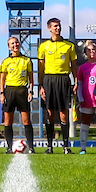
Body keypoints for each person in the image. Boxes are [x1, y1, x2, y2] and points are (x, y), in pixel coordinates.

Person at [37, 18, 78, 154]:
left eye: (59, 26)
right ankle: (50, 146)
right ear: (49, 28)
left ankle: (66, 146)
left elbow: (74, 65)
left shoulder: (68, 45)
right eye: (55, 26)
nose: (57, 28)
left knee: (64, 113)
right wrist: (41, 85)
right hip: (49, 80)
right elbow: (41, 67)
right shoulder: (44, 46)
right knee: (49, 113)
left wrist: (76, 81)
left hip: (64, 80)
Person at [0, 37, 35, 153]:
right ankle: (9, 147)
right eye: (12, 44)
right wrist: (2, 93)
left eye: (16, 42)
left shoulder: (27, 60)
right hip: (9, 91)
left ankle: (31, 147)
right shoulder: (6, 61)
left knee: (26, 120)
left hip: (22, 91)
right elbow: (2, 79)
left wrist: (30, 91)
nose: (15, 45)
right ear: (9, 47)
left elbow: (31, 78)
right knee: (8, 121)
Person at [74, 40, 96, 153]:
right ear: (86, 53)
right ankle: (83, 148)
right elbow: (79, 85)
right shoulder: (82, 68)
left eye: (93, 50)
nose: (92, 52)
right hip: (87, 99)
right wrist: (81, 99)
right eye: (89, 50)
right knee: (85, 123)